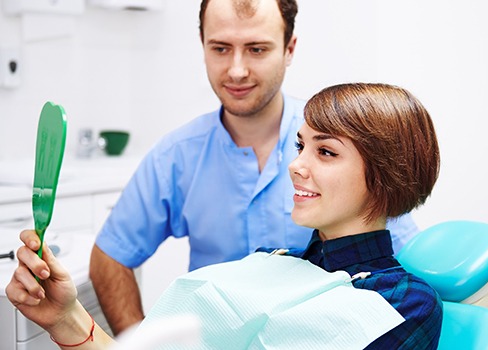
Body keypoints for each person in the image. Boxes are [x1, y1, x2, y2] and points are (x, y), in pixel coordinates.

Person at [6, 82, 442, 349]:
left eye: (325, 151)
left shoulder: (403, 303)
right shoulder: (273, 262)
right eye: (300, 146)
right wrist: (67, 318)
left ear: (386, 177)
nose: (296, 164)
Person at [89, 0, 420, 336]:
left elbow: (400, 257)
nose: (236, 70)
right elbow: (111, 256)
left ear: (289, 49)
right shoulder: (176, 156)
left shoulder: (340, 141)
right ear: (202, 45)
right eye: (220, 48)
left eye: (257, 49)